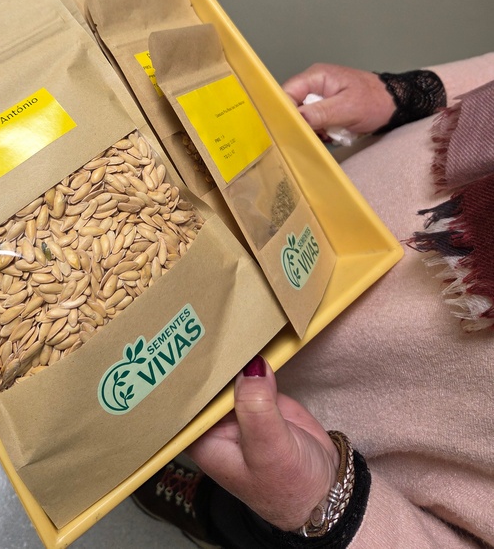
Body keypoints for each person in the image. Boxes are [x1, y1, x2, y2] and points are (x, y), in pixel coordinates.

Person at [133, 54, 494, 548]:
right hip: (345, 220)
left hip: (374, 442)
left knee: (259, 502)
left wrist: (324, 505)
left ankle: (205, 508)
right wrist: (410, 93)